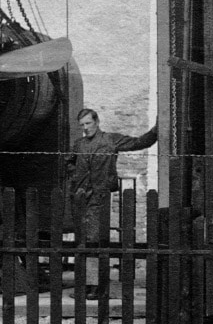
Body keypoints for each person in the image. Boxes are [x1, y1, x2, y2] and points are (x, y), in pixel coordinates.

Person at [66, 108, 158, 296]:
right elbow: (68, 162)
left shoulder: (110, 140)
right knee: (82, 241)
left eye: (88, 123)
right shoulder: (79, 144)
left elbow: (138, 143)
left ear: (97, 122)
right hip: (81, 197)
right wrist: (75, 179)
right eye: (82, 125)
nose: (85, 128)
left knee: (94, 241)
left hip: (99, 197)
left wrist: (157, 129)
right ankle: (86, 285)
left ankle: (96, 287)